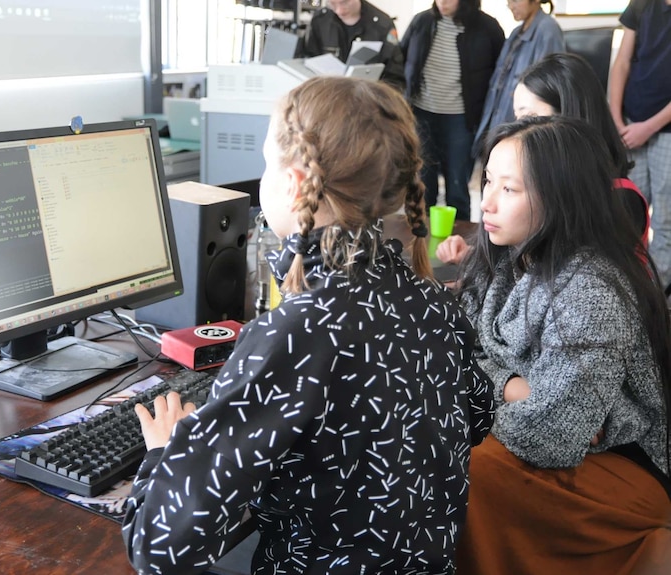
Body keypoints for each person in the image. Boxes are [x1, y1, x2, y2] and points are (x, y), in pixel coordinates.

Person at [121, 76, 495, 574]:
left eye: (264, 163)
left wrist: (166, 453)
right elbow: (479, 414)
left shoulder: (297, 332)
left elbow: (160, 547)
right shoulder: (433, 302)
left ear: (296, 183)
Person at [454, 115, 671, 573]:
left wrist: (477, 382)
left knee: (465, 464)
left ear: (560, 198)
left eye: (509, 190)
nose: (487, 202)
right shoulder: (509, 256)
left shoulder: (592, 288)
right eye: (488, 181)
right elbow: (461, 348)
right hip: (555, 439)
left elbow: (553, 435)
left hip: (622, 468)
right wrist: (516, 387)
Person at [437, 52, 650, 264]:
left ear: (567, 119)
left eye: (530, 118)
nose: (519, 131)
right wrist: (475, 259)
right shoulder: (548, 187)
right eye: (518, 118)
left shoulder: (618, 199)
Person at [401, 0, 504, 221]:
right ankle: (421, 238)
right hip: (421, 113)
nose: (443, 2)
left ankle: (462, 243)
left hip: (460, 118)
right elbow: (401, 60)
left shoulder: (487, 27)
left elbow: (500, 73)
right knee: (422, 184)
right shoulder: (422, 21)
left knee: (457, 184)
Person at [609, 0, 671, 288]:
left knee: (665, 220)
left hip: (664, 131)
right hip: (630, 122)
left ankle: (656, 295)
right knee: (626, 211)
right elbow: (621, 62)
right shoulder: (642, 4)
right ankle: (627, 286)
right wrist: (615, 118)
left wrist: (647, 128)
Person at [470, 0, 563, 159]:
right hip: (503, 124)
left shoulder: (548, 29)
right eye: (508, 1)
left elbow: (547, 88)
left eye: (515, 0)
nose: (510, 6)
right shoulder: (516, 32)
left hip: (524, 132)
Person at [297, 0, 405, 88]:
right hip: (328, 95)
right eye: (332, 4)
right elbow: (307, 60)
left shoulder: (382, 25)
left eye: (345, 2)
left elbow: (395, 76)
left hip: (368, 100)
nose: (340, 11)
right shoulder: (320, 20)